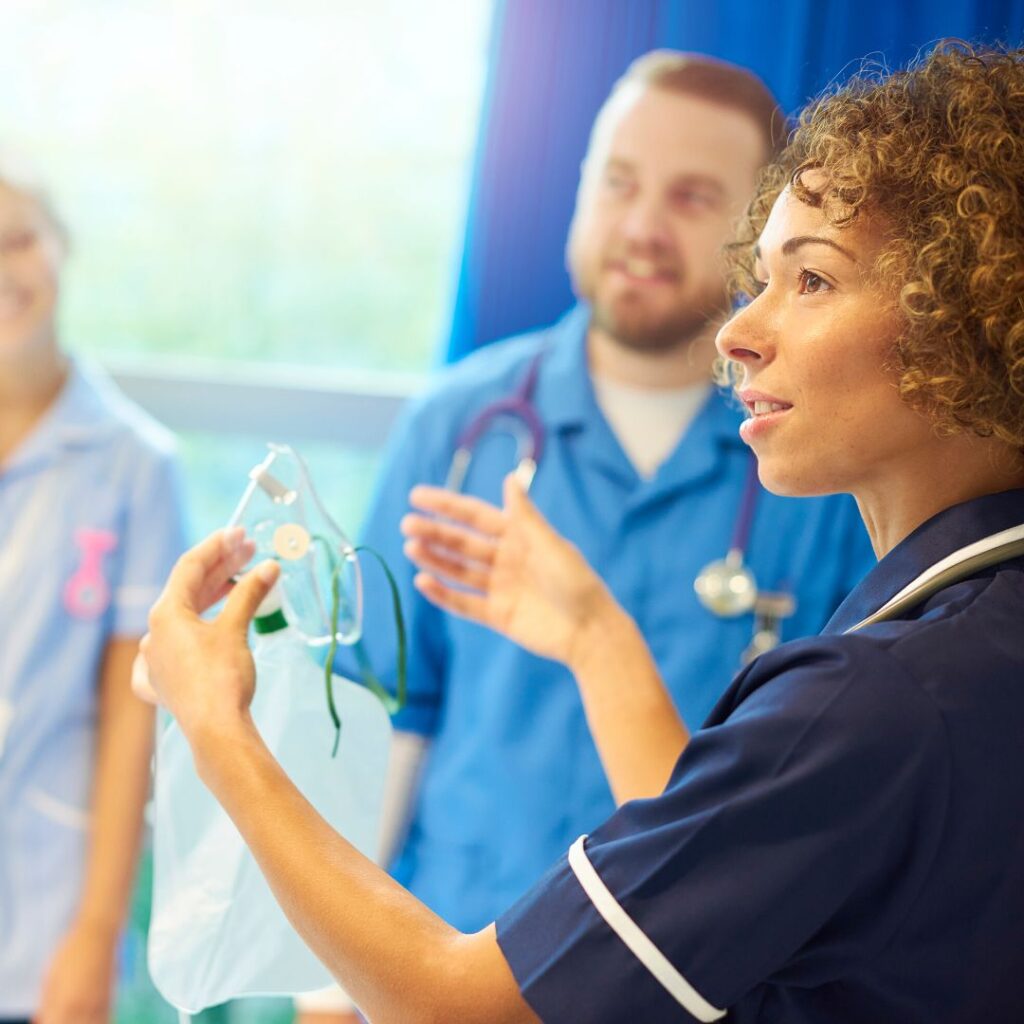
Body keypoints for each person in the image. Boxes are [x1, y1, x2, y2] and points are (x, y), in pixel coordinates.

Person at [140, 40, 1024, 1022]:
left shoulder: (880, 692)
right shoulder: (973, 636)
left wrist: (212, 722)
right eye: (617, 182)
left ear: (968, 315)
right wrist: (598, 644)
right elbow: (745, 846)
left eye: (809, 280)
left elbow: (460, 1003)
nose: (738, 330)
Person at [297, 50, 875, 1021]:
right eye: (618, 183)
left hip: (692, 983)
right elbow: (379, 709)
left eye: (693, 198)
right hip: (448, 961)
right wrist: (325, 986)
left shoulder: (816, 468)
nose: (643, 227)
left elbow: (844, 779)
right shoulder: (458, 425)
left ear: (759, 238)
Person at [0, 159, 186, 1024]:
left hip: (41, 906)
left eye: (19, 240)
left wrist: (98, 930)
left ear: (61, 249)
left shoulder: (134, 466)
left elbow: (132, 716)